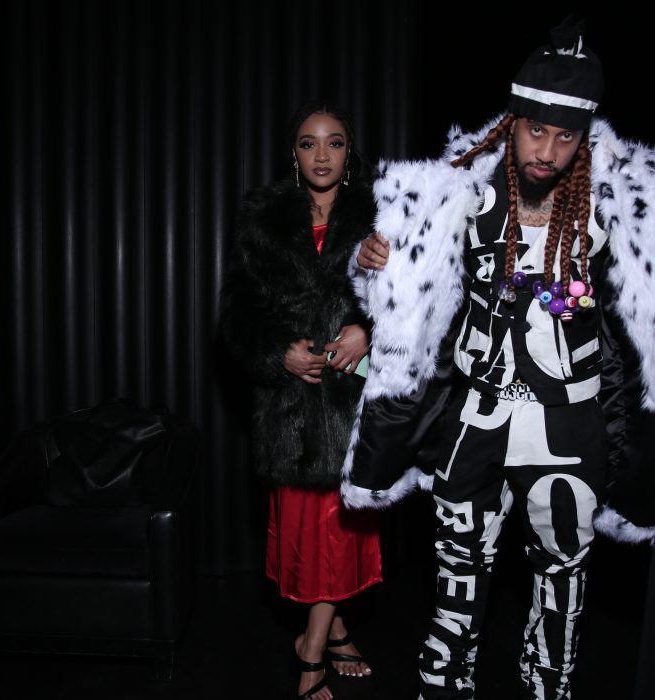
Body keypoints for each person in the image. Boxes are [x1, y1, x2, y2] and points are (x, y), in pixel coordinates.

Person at [339, 17, 655, 700]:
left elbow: (640, 321)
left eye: (565, 136)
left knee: (561, 584)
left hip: (567, 426)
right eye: (536, 130)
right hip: (476, 420)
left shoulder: (619, 209)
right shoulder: (460, 194)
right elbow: (403, 297)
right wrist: (371, 264)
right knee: (457, 578)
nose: (547, 150)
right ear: (513, 123)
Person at [219, 100, 382, 700]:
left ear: (349, 152)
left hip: (353, 401)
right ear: (294, 153)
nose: (321, 155)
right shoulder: (263, 218)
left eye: (334, 142)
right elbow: (236, 314)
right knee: (307, 532)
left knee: (340, 528)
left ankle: (309, 649)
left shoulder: (380, 214)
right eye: (309, 143)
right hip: (288, 405)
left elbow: (419, 300)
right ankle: (333, 630)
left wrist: (369, 329)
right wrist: (277, 351)